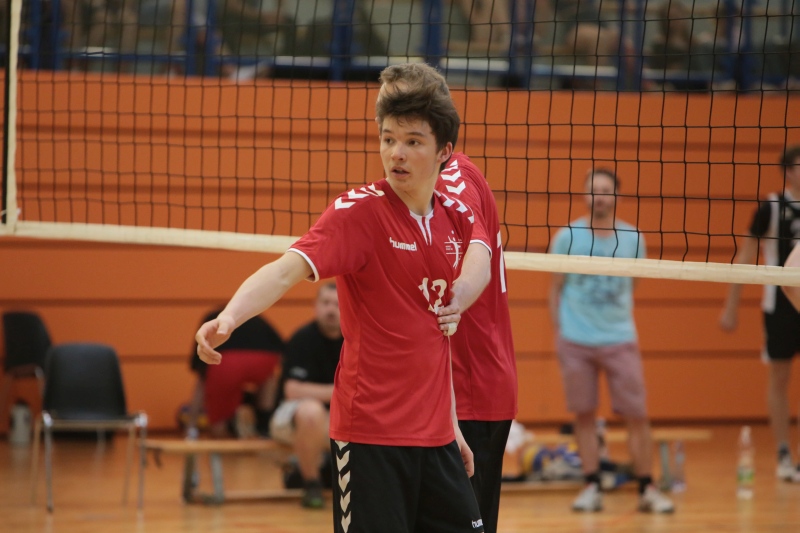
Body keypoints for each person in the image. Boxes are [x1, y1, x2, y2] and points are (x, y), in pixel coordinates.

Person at [196, 64, 492, 532]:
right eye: (388, 139)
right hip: (372, 438)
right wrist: (230, 317)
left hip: (437, 440)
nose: (396, 153)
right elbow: (284, 271)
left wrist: (451, 424)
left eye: (413, 141)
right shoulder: (358, 214)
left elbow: (440, 333)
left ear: (444, 152)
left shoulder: (454, 217)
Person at [377, 63, 517, 533]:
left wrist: (457, 296)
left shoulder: (452, 179)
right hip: (432, 395)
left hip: (471, 390)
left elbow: (477, 250)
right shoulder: (407, 186)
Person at [549, 168, 674, 514]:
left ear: (617, 195)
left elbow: (634, 284)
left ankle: (647, 487)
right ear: (584, 195)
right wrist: (561, 334)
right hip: (575, 339)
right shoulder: (567, 236)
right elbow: (555, 289)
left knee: (637, 415)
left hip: (619, 338)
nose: (600, 196)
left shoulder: (633, 238)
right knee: (584, 415)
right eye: (594, 190)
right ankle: (591, 485)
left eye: (606, 190)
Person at [721, 145, 800, 482]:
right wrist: (731, 306)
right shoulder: (771, 208)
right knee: (779, 377)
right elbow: (745, 256)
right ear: (788, 171)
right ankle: (783, 452)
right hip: (779, 306)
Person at [270, 283, 343, 509]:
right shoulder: (302, 339)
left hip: (339, 416)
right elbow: (293, 390)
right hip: (293, 417)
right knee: (311, 411)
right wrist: (340, 391)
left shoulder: (357, 341)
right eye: (326, 303)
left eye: (338, 304)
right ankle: (311, 484)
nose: (331, 309)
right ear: (316, 306)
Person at [187, 308, 283, 439]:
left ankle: (224, 432)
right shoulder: (253, 315)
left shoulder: (211, 319)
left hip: (227, 361)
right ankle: (265, 425)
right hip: (264, 358)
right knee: (269, 379)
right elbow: (282, 350)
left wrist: (191, 426)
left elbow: (201, 381)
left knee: (218, 418)